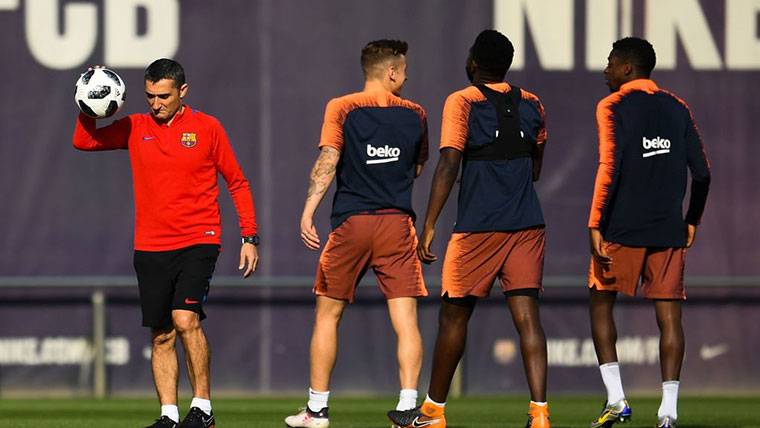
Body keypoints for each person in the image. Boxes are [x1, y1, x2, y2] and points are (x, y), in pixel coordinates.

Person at [72, 59, 260, 428]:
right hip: (151, 245)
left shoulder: (207, 127)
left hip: (199, 238)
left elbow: (237, 182)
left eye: (163, 96)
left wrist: (249, 236)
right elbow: (84, 140)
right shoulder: (134, 126)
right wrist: (87, 100)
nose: (155, 103)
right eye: (149, 96)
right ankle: (169, 416)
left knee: (186, 318)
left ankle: (202, 408)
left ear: (182, 91)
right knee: (161, 335)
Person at [388, 29, 551, 428]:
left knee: (454, 317)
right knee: (528, 317)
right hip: (528, 223)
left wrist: (427, 226)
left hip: (479, 227)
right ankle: (540, 415)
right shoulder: (532, 102)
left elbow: (448, 164)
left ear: (474, 63)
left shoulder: (462, 101)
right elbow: (536, 164)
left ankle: (433, 413)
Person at [284, 39, 429, 428]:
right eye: (405, 69)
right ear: (392, 72)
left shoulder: (341, 107)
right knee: (406, 319)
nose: (407, 75)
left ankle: (317, 411)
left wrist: (308, 211)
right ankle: (408, 407)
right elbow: (417, 168)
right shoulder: (416, 113)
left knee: (328, 316)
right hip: (397, 224)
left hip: (352, 222)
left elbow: (328, 159)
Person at [586, 37, 710, 428]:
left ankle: (617, 400)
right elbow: (703, 171)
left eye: (609, 63)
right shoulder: (678, 107)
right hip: (668, 228)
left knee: (600, 302)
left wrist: (595, 222)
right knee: (670, 318)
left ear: (626, 68)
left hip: (622, 226)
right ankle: (669, 412)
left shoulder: (612, 105)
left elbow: (610, 166)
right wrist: (692, 219)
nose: (605, 70)